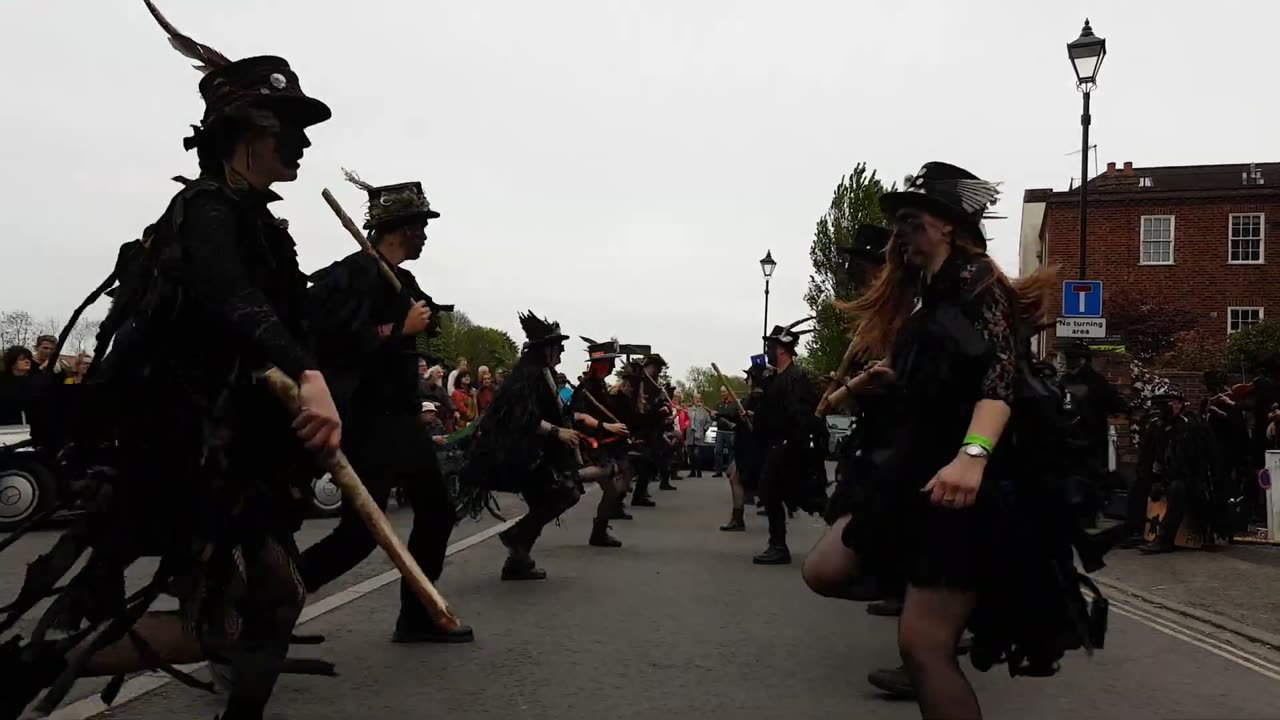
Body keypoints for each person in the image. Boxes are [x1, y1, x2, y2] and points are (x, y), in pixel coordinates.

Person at [1, 8, 341, 718]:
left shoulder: (262, 223)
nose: (304, 142)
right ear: (244, 135)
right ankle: (31, 666)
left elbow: (280, 314)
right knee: (259, 605)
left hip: (235, 455)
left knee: (270, 598)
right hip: (185, 451)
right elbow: (228, 295)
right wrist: (304, 372)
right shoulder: (205, 209)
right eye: (288, 126)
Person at [800, 161, 1104, 717]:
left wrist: (972, 456)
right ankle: (954, 593)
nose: (899, 234)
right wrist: (879, 383)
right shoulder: (931, 294)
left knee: (923, 651)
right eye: (898, 224)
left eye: (911, 221)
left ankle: (968, 597)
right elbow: (942, 372)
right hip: (915, 472)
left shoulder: (978, 281)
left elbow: (998, 380)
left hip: (963, 487)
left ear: (947, 225)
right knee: (824, 570)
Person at [298, 172, 474, 644]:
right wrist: (398, 330)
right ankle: (259, 607)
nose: (425, 235)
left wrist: (421, 319)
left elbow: (423, 321)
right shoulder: (353, 274)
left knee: (437, 512)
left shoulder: (403, 279)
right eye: (420, 226)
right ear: (400, 228)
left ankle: (415, 617)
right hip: (368, 423)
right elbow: (330, 342)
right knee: (358, 537)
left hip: (401, 420)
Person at [460, 311, 584, 580]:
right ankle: (516, 540)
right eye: (558, 347)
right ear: (546, 349)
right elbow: (520, 416)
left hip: (536, 451)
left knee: (556, 496)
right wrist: (557, 432)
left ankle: (517, 558)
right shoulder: (526, 375)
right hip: (517, 453)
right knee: (564, 493)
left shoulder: (544, 373)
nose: (562, 351)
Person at [751, 318, 826, 566]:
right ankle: (778, 545)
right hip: (779, 446)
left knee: (807, 498)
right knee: (772, 492)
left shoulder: (796, 377)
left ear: (781, 348)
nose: (768, 352)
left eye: (771, 347)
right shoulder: (776, 379)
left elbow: (799, 414)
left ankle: (853, 539)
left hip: (792, 448)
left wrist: (791, 440)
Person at [570, 338, 632, 547]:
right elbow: (579, 416)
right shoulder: (585, 388)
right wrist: (607, 427)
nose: (613, 367)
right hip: (586, 443)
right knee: (606, 471)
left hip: (602, 441)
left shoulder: (601, 386)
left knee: (613, 491)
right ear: (601, 365)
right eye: (610, 363)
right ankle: (571, 476)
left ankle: (599, 533)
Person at [720, 363, 767, 531]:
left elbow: (753, 418)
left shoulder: (757, 398)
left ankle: (738, 518)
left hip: (752, 448)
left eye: (749, 377)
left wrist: (724, 414)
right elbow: (739, 416)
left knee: (742, 479)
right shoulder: (757, 397)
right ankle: (738, 516)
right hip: (747, 447)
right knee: (734, 476)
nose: (747, 380)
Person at [626, 354, 673, 507]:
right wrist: (658, 409)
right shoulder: (638, 382)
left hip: (652, 429)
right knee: (637, 461)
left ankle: (641, 492)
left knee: (657, 456)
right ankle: (622, 496)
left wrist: (664, 405)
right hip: (638, 429)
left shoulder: (654, 384)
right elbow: (638, 409)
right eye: (658, 368)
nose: (659, 371)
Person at [0, 346, 35, 425]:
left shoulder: (33, 380)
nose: (27, 361)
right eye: (22, 359)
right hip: (6, 426)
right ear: (12, 363)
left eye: (28, 359)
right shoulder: (3, 381)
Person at [711, 386, 741, 477]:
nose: (723, 394)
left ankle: (730, 471)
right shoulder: (718, 404)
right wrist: (713, 415)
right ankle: (718, 471)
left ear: (728, 392)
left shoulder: (735, 404)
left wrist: (720, 414)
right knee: (718, 451)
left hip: (730, 432)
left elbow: (732, 415)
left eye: (724, 392)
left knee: (731, 452)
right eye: (722, 392)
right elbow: (714, 417)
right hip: (720, 431)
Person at [686, 393, 714, 478]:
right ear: (693, 400)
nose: (697, 400)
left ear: (701, 400)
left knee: (696, 454)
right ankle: (692, 471)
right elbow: (685, 420)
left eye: (699, 398)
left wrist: (705, 428)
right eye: (696, 398)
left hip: (699, 435)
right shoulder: (689, 410)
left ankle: (699, 472)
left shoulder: (704, 411)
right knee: (690, 454)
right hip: (690, 434)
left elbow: (709, 421)